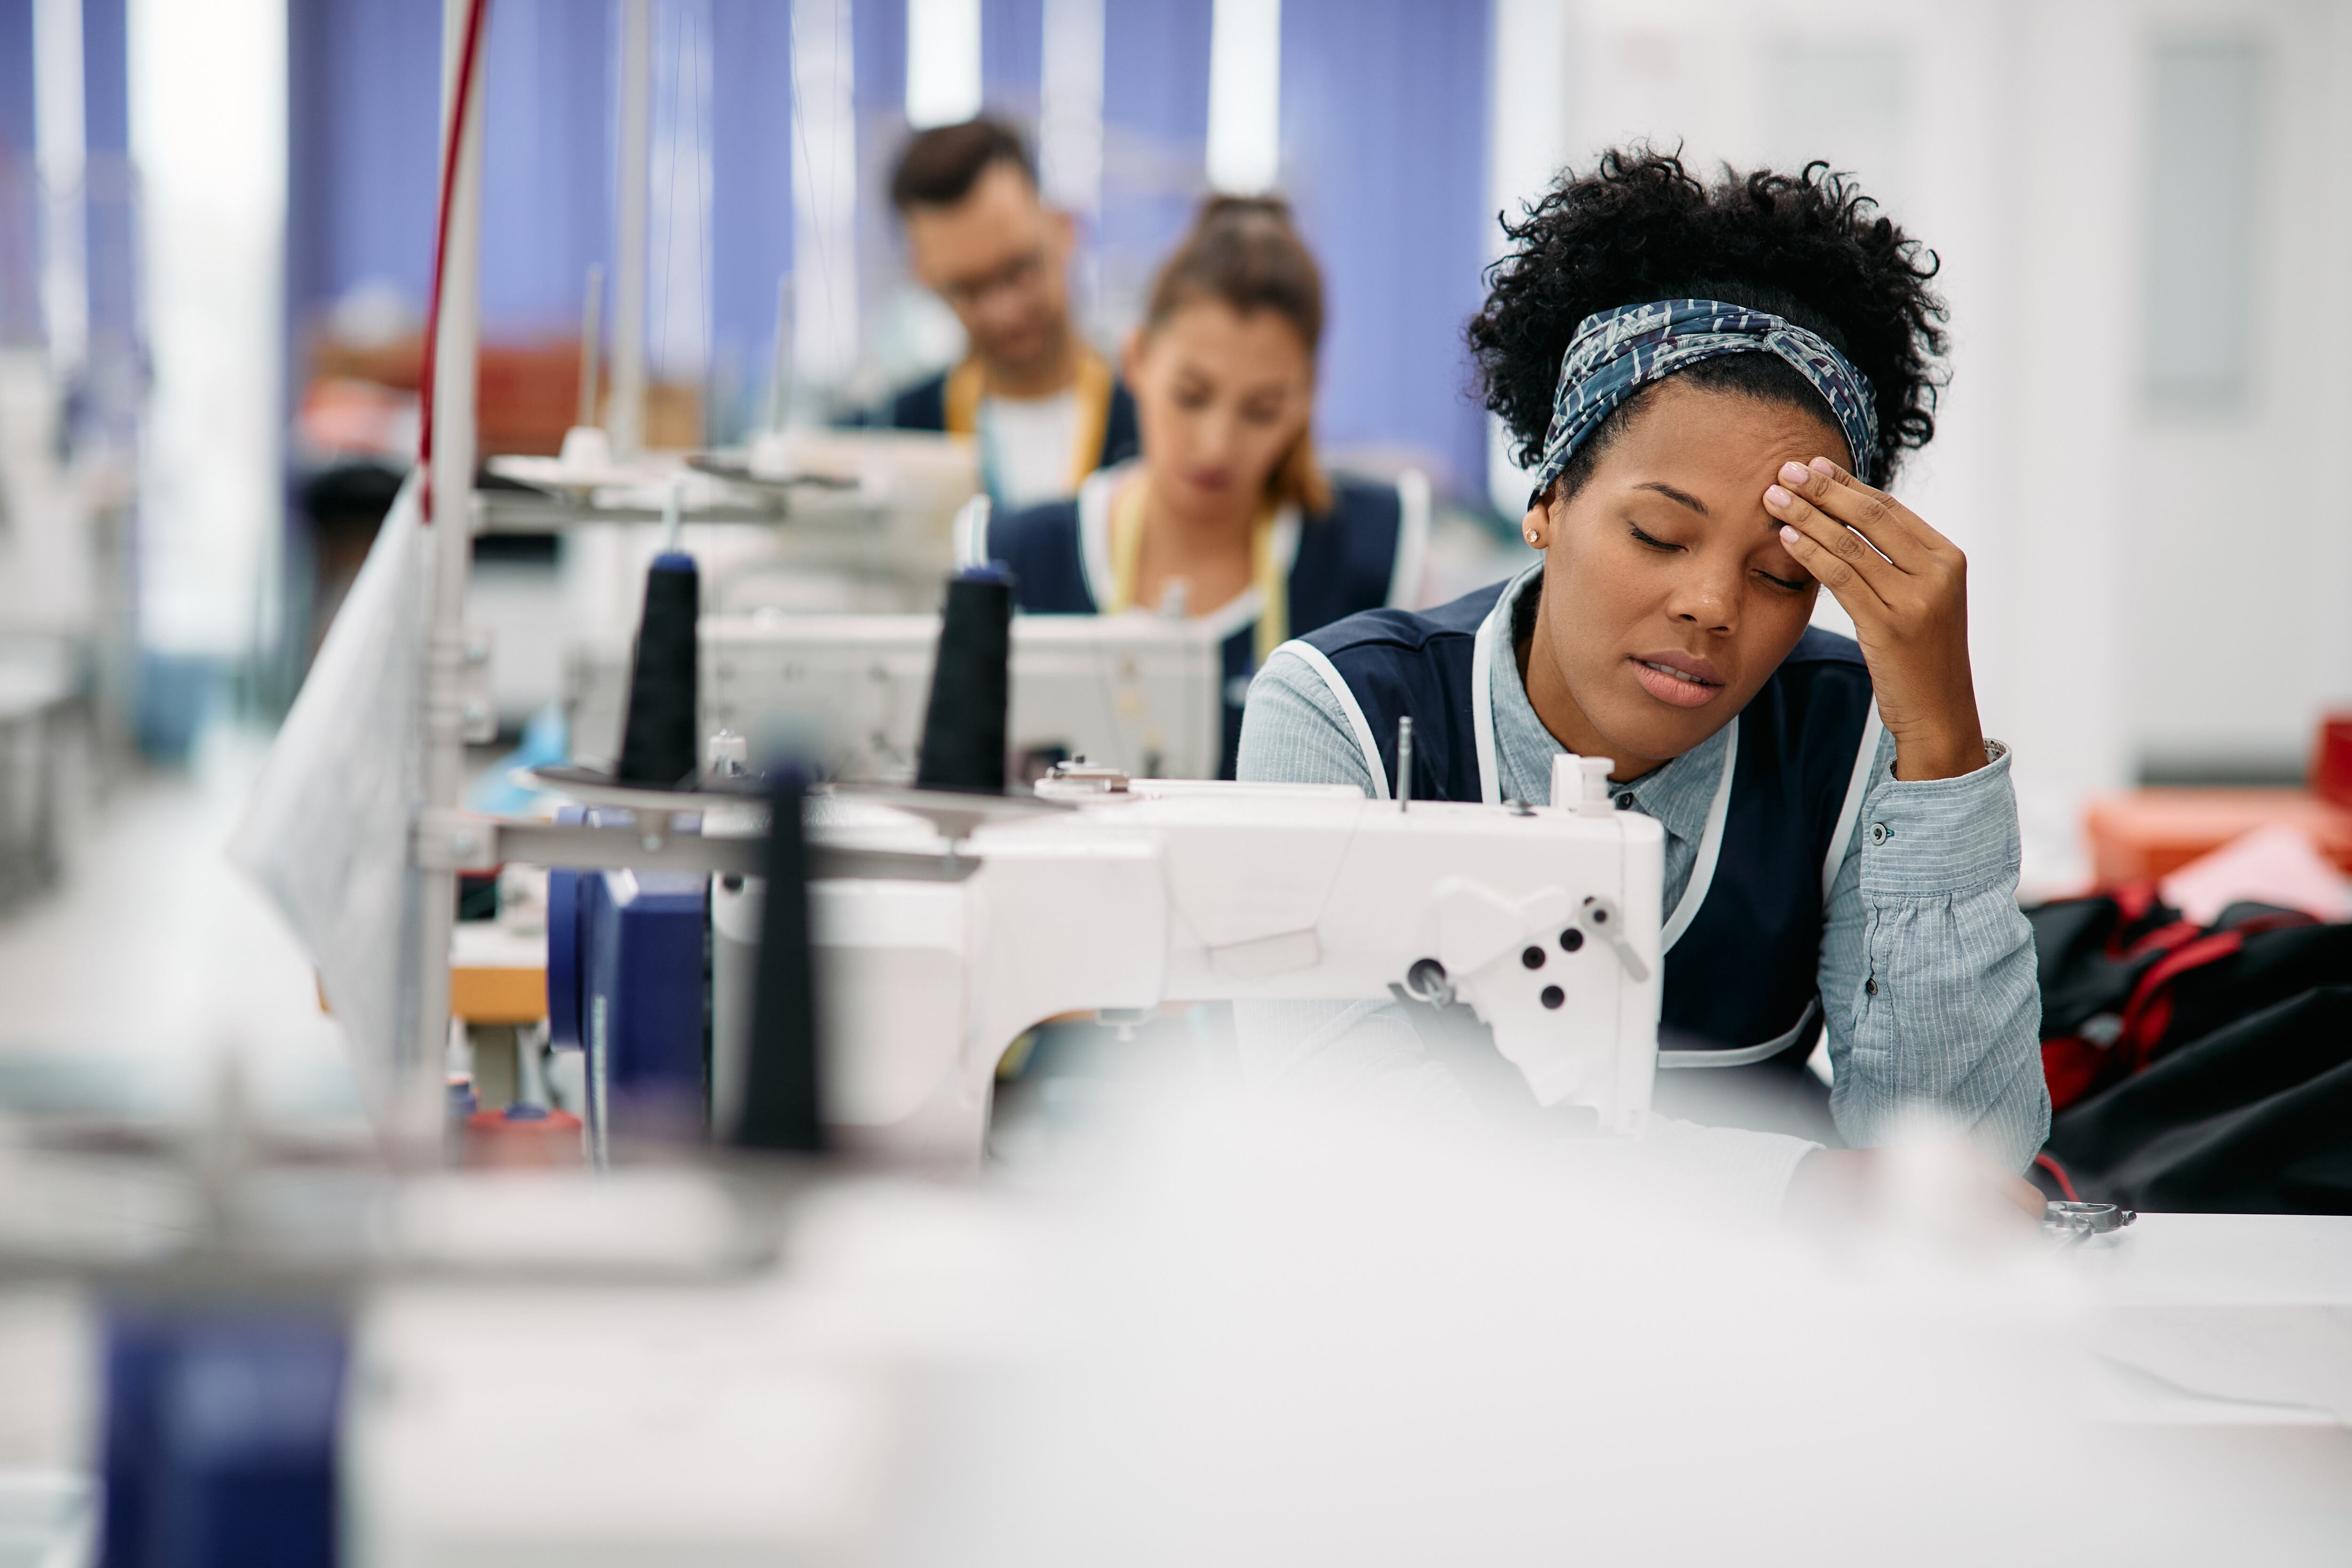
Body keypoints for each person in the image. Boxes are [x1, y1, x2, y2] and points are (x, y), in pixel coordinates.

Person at [1234, 149, 2048, 1213]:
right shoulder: (1341, 709)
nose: (1713, 604)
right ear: (1548, 500)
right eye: (1659, 534)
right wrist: (1790, 1192)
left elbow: (1962, 1169)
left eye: (1779, 573)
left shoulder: (1852, 735)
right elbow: (1335, 1117)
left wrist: (1941, 742)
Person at [971, 196, 1429, 779]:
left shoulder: (1379, 560)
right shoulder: (1022, 559)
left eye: (1261, 410)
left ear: (1308, 396)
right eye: (1190, 396)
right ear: (1135, 360)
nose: (1216, 445)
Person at [878, 117, 1138, 509]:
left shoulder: (1152, 431)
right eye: (967, 289)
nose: (1003, 311)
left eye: (1019, 270)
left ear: (1064, 229)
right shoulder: (889, 440)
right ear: (925, 277)